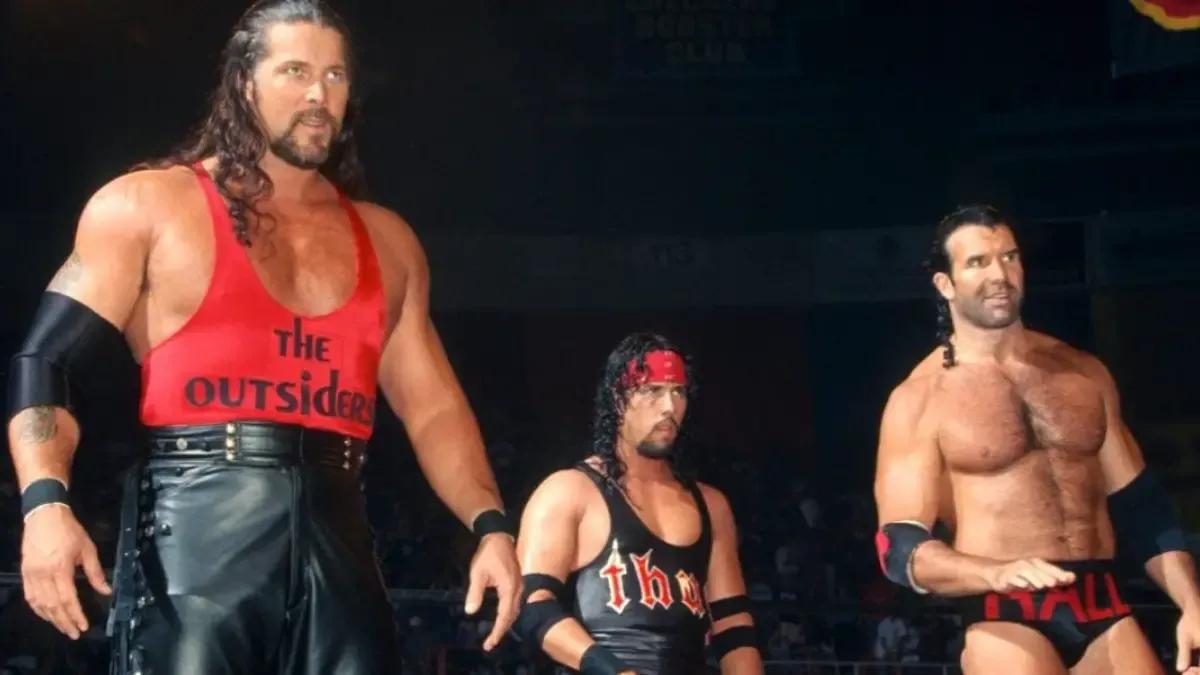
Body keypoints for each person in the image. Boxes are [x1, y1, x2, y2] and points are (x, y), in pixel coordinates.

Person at [5, 2, 520, 673]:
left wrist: (490, 524)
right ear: (244, 82)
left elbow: (432, 407)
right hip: (194, 537)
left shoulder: (388, 241)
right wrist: (45, 504)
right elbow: (46, 361)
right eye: (296, 71)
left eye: (335, 75)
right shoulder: (148, 204)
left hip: (339, 537)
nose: (319, 95)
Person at [873, 204, 1200, 674]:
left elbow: (1140, 503)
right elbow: (899, 545)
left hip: (1101, 601)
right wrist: (993, 572)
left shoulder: (1082, 372)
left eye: (1009, 257)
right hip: (1004, 610)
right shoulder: (920, 398)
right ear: (945, 284)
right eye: (978, 262)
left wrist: (1191, 604)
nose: (999, 274)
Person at [513, 333, 763, 674]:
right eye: (652, 391)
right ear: (618, 399)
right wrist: (613, 671)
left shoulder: (711, 504)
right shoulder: (569, 491)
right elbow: (532, 607)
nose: (669, 406)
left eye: (678, 391)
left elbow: (732, 624)